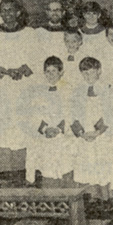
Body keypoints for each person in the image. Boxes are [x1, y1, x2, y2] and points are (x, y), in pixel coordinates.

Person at [0, 0, 37, 166]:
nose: (7, 14)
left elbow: (37, 57)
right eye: (3, 10)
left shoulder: (30, 34)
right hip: (2, 87)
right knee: (2, 124)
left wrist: (22, 70)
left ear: (18, 12)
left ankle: (24, 166)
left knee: (23, 122)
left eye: (11, 10)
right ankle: (2, 167)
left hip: (23, 86)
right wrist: (2, 70)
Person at [25, 56, 74, 186]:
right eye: (47, 71)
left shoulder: (68, 89)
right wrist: (45, 128)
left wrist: (58, 129)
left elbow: (71, 112)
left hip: (63, 132)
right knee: (46, 161)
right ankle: (49, 189)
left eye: (54, 71)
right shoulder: (38, 90)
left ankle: (67, 190)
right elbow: (34, 113)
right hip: (45, 132)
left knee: (65, 160)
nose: (50, 74)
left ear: (61, 72)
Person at [68, 56, 113, 190]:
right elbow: (72, 113)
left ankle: (103, 198)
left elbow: (110, 113)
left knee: (101, 163)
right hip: (84, 135)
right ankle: (87, 195)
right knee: (85, 164)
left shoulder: (106, 89)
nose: (87, 75)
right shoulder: (77, 91)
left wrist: (97, 132)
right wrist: (81, 132)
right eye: (84, 73)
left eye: (91, 72)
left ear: (99, 71)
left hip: (100, 134)